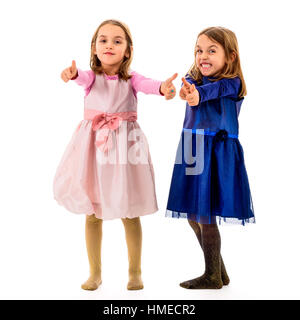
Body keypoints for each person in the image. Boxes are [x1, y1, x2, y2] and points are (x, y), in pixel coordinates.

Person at [53, 19, 177, 291]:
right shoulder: (89, 78)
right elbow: (80, 77)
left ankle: (135, 272)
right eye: (104, 40)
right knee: (92, 211)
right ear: (95, 47)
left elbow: (150, 85)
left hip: (124, 151)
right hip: (93, 151)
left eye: (117, 41)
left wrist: (164, 89)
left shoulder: (132, 79)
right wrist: (71, 75)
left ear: (128, 50)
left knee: (129, 211)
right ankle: (95, 273)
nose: (110, 45)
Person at [166, 26, 255, 289]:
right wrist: (186, 92)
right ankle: (218, 272)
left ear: (230, 56)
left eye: (212, 51)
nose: (203, 55)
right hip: (192, 148)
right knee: (194, 215)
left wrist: (197, 95)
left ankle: (212, 276)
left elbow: (211, 92)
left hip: (216, 151)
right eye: (199, 50)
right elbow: (190, 89)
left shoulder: (232, 83)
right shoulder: (192, 79)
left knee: (206, 215)